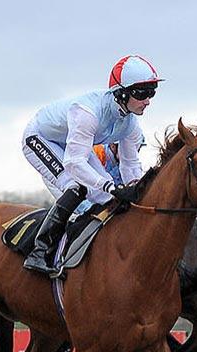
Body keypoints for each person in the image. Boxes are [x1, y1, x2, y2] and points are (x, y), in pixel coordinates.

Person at [20, 54, 159, 275]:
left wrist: (136, 190)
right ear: (121, 92)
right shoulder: (88, 112)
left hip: (72, 143)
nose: (148, 100)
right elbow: (74, 163)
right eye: (142, 93)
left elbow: (131, 166)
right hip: (41, 138)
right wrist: (110, 185)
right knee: (76, 186)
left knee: (105, 198)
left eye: (152, 92)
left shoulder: (131, 125)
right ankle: (40, 250)